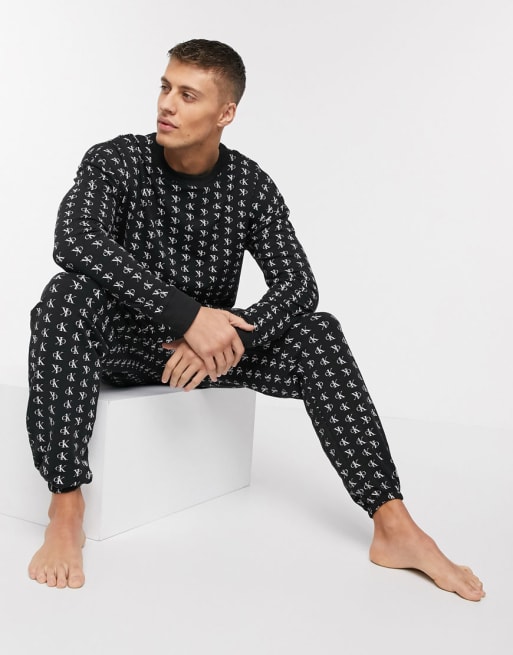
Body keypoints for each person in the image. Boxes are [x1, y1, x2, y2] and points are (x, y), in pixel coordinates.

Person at [26, 39, 484, 600]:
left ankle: (393, 524)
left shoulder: (249, 185)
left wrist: (225, 336)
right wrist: (188, 316)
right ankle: (66, 506)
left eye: (188, 95)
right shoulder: (115, 160)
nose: (166, 104)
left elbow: (299, 285)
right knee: (67, 294)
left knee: (319, 331)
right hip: (123, 344)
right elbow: (75, 240)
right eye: (165, 87)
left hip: (210, 358)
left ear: (226, 113)